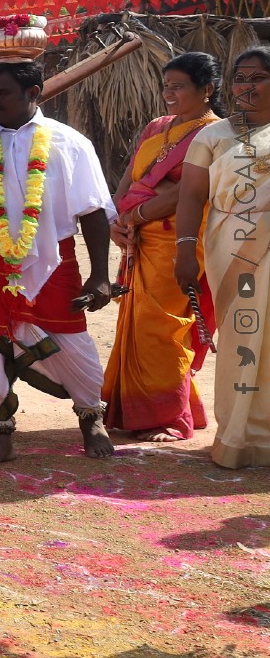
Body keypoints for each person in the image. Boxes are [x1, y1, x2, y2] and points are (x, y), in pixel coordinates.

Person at [0, 61, 117, 470]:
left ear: (34, 93)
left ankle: (91, 419)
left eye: (2, 93)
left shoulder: (69, 142)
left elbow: (91, 210)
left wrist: (101, 275)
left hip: (52, 259)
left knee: (72, 340)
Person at [101, 54, 220, 442]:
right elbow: (129, 178)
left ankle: (170, 417)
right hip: (140, 240)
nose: (168, 93)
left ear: (207, 90)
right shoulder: (157, 127)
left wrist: (136, 215)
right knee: (137, 325)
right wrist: (120, 220)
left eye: (178, 86)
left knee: (164, 327)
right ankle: (170, 406)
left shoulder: (215, 134)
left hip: (179, 241)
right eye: (165, 85)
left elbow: (187, 193)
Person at [176, 47, 270, 469]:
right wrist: (183, 250)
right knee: (242, 340)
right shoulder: (212, 136)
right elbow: (192, 196)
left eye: (258, 77)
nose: (246, 86)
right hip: (232, 248)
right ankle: (238, 439)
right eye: (240, 78)